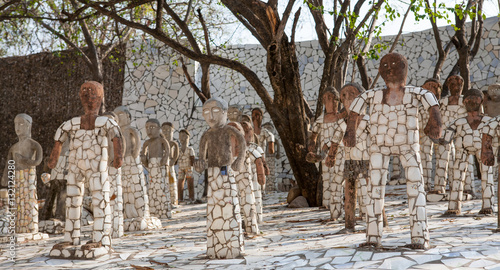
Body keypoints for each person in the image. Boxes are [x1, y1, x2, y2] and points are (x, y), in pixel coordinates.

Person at [343, 53, 442, 249]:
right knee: (374, 190)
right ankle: (373, 236)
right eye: (385, 65)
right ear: (379, 71)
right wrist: (351, 130)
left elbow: (432, 103)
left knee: (416, 188)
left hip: (408, 145)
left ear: (405, 68)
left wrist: (435, 121)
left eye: (396, 64)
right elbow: (355, 110)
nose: (390, 68)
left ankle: (419, 237)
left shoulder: (416, 93)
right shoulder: (374, 95)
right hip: (379, 146)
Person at [48, 81, 123, 257]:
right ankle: (71, 237)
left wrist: (118, 156)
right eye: (84, 91)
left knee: (100, 198)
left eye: (92, 92)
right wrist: (54, 158)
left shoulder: (105, 122)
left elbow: (116, 136)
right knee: (72, 199)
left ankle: (101, 238)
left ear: (100, 97)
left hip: (97, 166)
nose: (88, 95)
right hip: (75, 166)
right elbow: (59, 137)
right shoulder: (73, 123)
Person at [195, 97, 246, 259]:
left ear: (224, 113)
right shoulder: (207, 134)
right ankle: (216, 243)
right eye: (206, 112)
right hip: (213, 173)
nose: (211, 116)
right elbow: (201, 155)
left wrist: (239, 160)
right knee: (215, 208)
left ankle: (231, 242)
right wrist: (200, 163)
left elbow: (242, 143)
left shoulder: (229, 130)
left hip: (226, 169)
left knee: (229, 205)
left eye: (215, 111)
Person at [436, 89, 494, 216]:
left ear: (481, 101)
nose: (472, 101)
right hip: (461, 149)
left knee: (487, 175)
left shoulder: (488, 121)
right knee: (457, 174)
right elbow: (445, 139)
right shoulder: (458, 122)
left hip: (483, 149)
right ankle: (453, 206)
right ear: (463, 102)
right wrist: (435, 135)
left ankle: (487, 206)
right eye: (469, 98)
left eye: (475, 98)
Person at [141, 119, 171, 219]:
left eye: (152, 127)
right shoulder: (147, 142)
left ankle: (164, 210)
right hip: (152, 166)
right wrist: (144, 159)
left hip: (160, 165)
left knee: (162, 186)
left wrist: (164, 159)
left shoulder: (162, 140)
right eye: (147, 128)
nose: (149, 130)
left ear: (159, 128)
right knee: (152, 187)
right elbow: (143, 154)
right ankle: (154, 211)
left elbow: (167, 150)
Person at [177, 129, 196, 203]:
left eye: (183, 136)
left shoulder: (190, 149)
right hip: (181, 168)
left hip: (188, 168)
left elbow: (192, 159)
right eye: (180, 136)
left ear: (187, 137)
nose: (181, 138)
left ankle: (191, 198)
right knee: (180, 183)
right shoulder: (178, 150)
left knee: (190, 182)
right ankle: (180, 198)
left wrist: (192, 165)